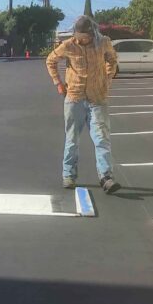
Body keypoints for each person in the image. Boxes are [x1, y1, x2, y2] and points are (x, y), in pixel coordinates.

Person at [45, 15, 121, 194]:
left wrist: (108, 77)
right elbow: (50, 60)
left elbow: (112, 59)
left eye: (85, 36)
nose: (81, 39)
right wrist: (58, 82)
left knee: (101, 139)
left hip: (97, 98)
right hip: (74, 98)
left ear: (92, 33)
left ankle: (106, 177)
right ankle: (68, 175)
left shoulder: (103, 42)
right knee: (72, 139)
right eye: (79, 36)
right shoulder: (68, 45)